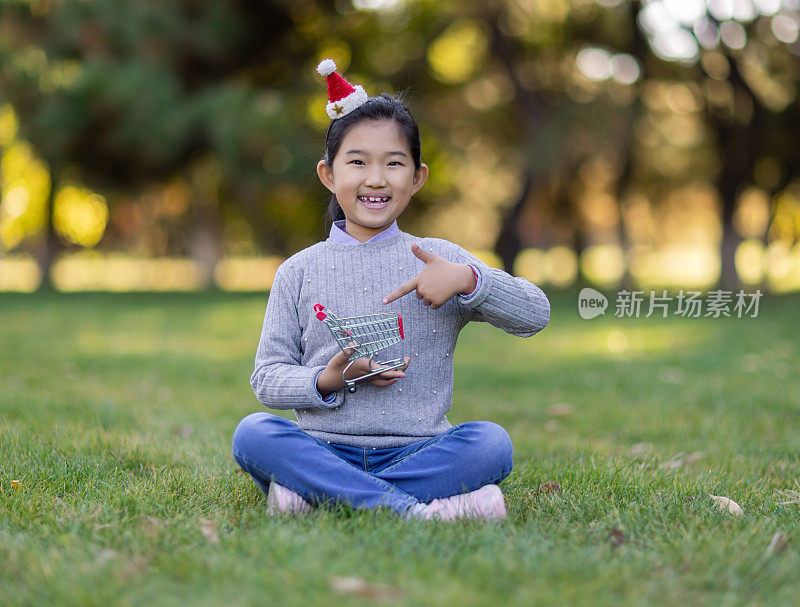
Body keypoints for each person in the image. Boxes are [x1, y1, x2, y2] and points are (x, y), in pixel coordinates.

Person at [231, 59, 550, 521]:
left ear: (417, 177)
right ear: (329, 174)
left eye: (393, 163)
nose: (376, 179)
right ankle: (416, 510)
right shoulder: (298, 271)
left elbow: (534, 313)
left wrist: (469, 281)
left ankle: (318, 498)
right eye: (357, 162)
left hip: (418, 452)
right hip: (323, 449)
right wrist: (329, 379)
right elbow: (267, 378)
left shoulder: (439, 258)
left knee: (491, 444)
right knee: (253, 433)